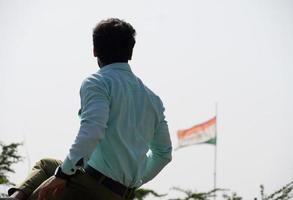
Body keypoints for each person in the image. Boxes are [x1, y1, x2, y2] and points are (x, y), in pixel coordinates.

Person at [6, 18, 172, 200]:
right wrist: (134, 181)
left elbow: (93, 130)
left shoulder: (97, 82)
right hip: (122, 194)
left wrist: (63, 174)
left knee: (47, 172)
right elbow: (163, 154)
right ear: (131, 52)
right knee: (47, 165)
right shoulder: (153, 99)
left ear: (94, 50)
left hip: (90, 187)